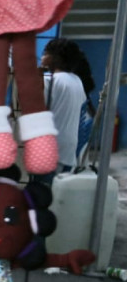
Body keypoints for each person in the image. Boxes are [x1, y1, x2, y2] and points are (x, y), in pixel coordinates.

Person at [39, 37, 96, 183]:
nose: (41, 57)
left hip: (51, 151)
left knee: (42, 191)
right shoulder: (76, 81)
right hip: (69, 151)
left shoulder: (50, 81)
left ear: (56, 58)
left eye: (45, 53)